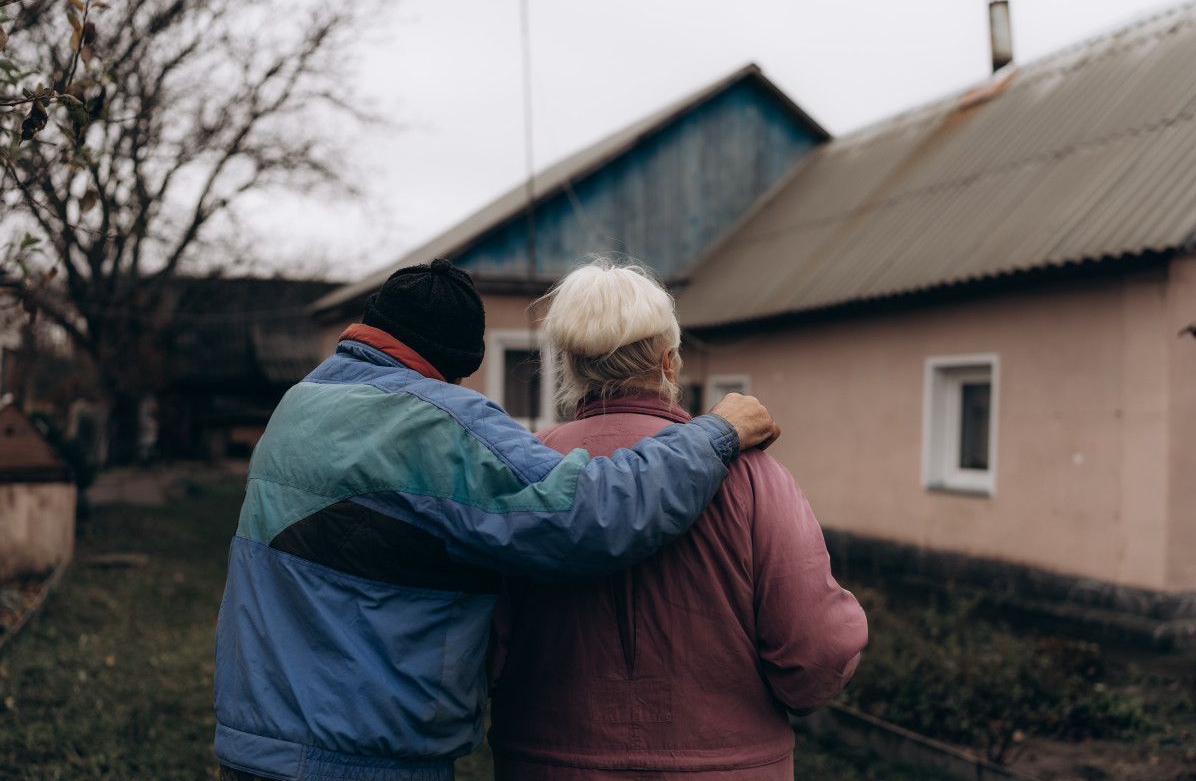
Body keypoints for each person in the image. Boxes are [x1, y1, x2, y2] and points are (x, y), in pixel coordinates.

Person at [212, 258, 780, 781]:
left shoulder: (301, 403)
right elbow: (591, 514)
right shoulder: (432, 422)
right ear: (460, 365)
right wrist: (716, 434)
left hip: (255, 741)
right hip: (359, 753)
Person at [488, 260, 867, 780]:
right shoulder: (754, 474)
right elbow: (817, 650)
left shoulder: (521, 471)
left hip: (547, 763)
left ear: (571, 370)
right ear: (670, 363)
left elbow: (481, 641)